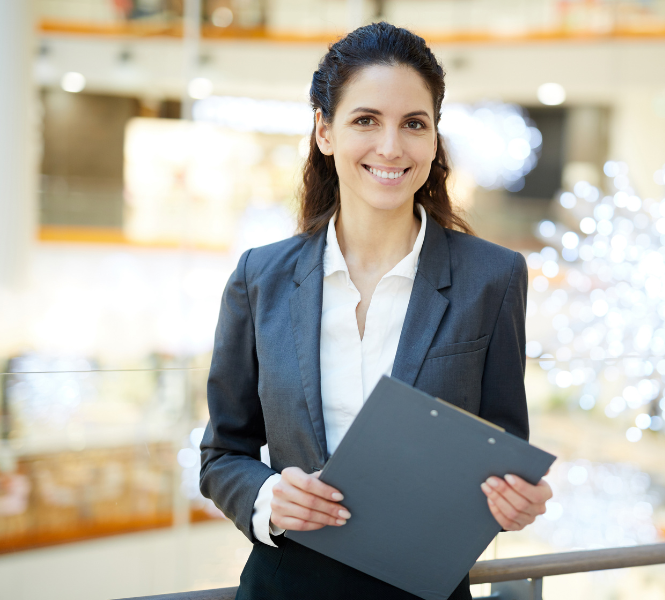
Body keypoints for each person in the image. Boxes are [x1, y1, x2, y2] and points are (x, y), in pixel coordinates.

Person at [200, 21, 552, 600]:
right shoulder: (259, 277)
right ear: (325, 131)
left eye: (413, 124)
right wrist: (268, 497)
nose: (391, 147)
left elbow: (501, 447)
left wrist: (515, 501)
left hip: (424, 589)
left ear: (434, 138)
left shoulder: (492, 277)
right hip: (287, 586)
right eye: (366, 120)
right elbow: (222, 454)